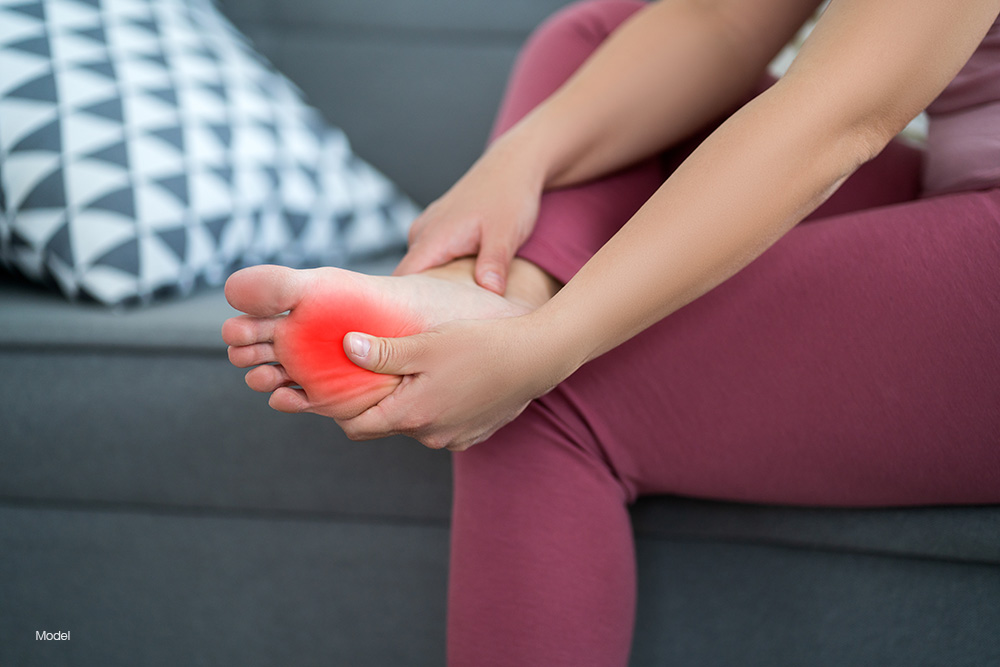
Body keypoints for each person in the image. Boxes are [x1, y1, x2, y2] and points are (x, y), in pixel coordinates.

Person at [222, 0, 1000, 664]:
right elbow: (723, 18)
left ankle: (511, 318)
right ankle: (498, 291)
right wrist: (518, 156)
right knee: (598, 37)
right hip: (951, 193)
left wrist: (553, 345)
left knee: (545, 397)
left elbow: (845, 113)